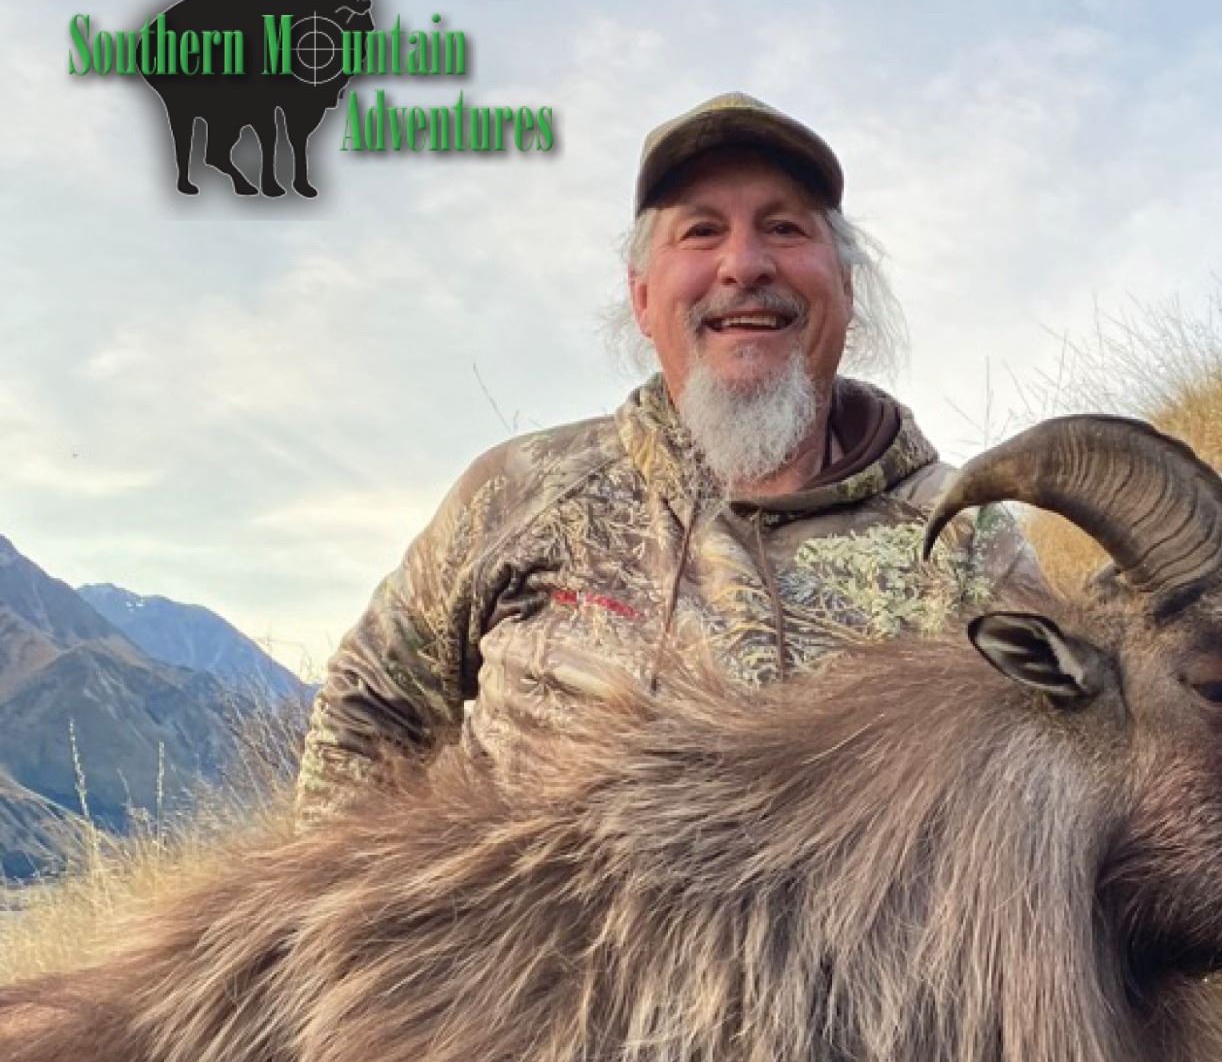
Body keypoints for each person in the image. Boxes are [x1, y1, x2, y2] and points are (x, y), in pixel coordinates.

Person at [295, 92, 1035, 823]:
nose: (744, 264)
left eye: (784, 228)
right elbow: (369, 707)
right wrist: (357, 899)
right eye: (701, 232)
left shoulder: (963, 538)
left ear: (845, 286)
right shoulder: (517, 492)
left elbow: (1045, 779)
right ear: (643, 297)